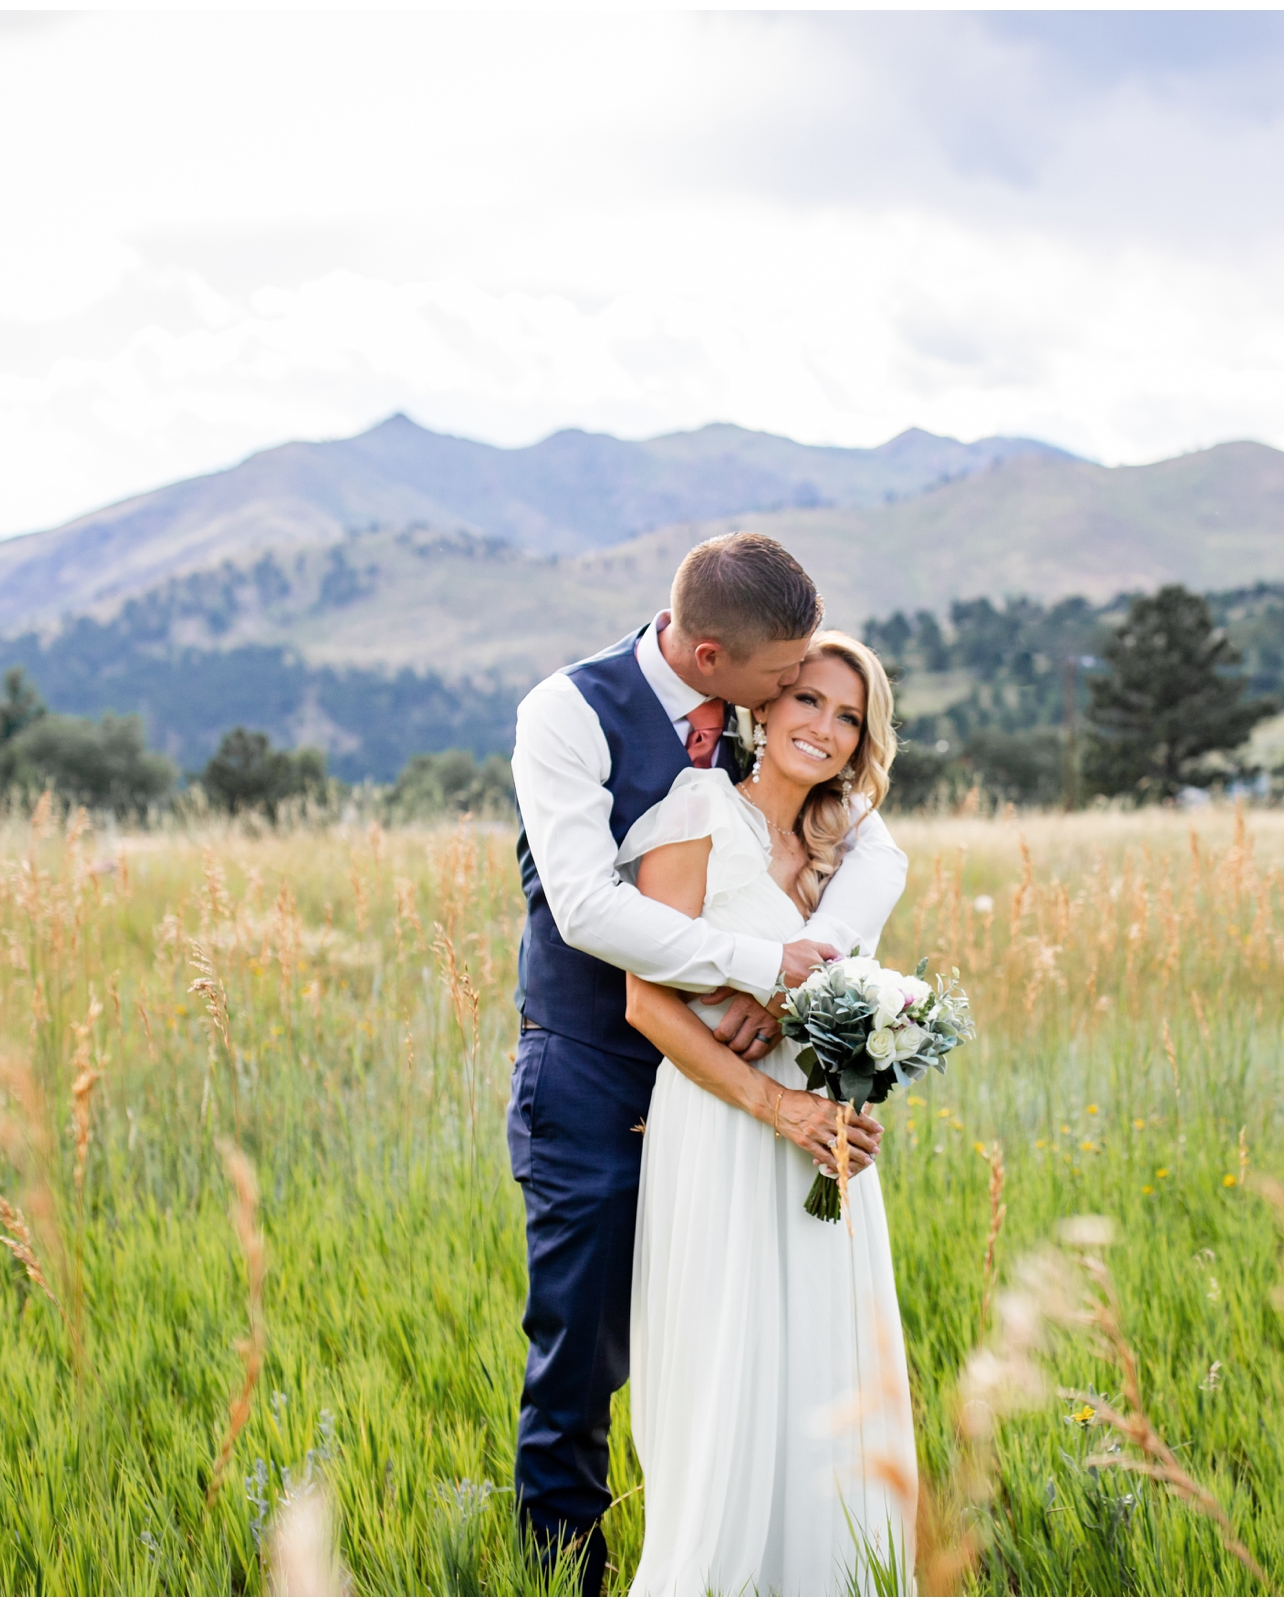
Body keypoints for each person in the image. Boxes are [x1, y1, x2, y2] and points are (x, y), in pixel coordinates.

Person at [508, 533, 908, 1592]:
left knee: (752, 1329)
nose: (798, 696)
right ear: (715, 657)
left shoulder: (747, 739)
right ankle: (571, 1579)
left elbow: (870, 839)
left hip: (726, 1098)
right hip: (595, 1064)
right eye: (787, 681)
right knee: (582, 1345)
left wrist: (807, 980)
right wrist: (757, 971)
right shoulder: (569, 713)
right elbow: (590, 907)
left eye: (824, 693)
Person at [620, 629, 918, 1595]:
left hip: (825, 1137)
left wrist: (846, 1084)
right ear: (765, 703)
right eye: (809, 702)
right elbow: (646, 1000)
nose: (825, 729)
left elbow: (850, 977)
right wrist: (773, 1102)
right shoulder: (698, 810)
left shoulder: (848, 845)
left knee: (826, 1354)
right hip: (723, 1124)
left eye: (849, 718)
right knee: (731, 1351)